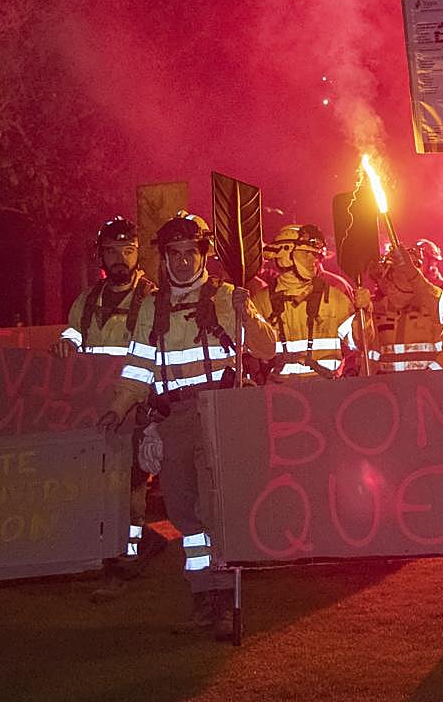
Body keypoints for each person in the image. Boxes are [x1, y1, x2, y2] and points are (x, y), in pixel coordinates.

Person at [101, 212, 277, 637]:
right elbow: (139, 366)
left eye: (189, 253)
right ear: (164, 257)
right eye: (174, 254)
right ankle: (201, 589)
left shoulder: (227, 296)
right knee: (182, 509)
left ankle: (220, 595)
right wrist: (119, 407)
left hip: (218, 411)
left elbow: (267, 349)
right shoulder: (150, 305)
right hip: (174, 418)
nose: (182, 263)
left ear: (203, 255)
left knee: (216, 504)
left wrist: (247, 315)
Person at [52, 217, 160, 601]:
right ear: (100, 254)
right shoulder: (87, 300)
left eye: (127, 251)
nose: (119, 259)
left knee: (131, 488)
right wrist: (65, 344)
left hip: (137, 409)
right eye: (112, 251)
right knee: (99, 486)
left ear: (137, 253)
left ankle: (127, 557)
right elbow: (72, 333)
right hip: (97, 410)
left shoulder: (151, 299)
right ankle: (111, 553)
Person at [252, 224, 361, 380]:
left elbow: (357, 343)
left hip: (328, 391)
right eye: (306, 254)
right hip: (279, 395)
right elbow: (254, 353)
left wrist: (365, 315)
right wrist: (245, 314)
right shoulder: (260, 302)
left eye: (316, 255)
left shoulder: (335, 297)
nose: (314, 260)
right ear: (285, 257)